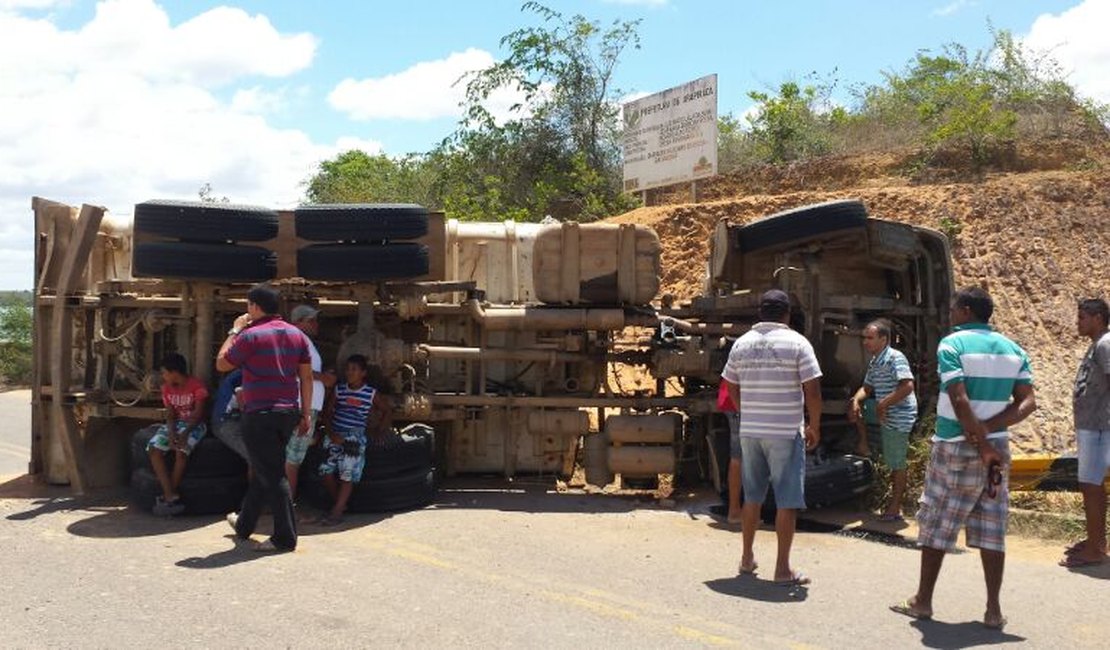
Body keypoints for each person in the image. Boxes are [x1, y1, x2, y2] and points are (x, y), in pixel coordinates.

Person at [891, 286, 1036, 630]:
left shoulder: (952, 344)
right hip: (998, 450)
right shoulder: (1014, 349)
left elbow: (958, 398)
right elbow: (1027, 403)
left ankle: (923, 601)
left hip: (955, 445)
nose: (951, 314)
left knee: (938, 520)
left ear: (966, 311)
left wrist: (979, 438)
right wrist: (990, 431)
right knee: (992, 526)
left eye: (954, 308)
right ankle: (993, 611)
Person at [722, 289, 822, 584]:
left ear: (760, 313)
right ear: (787, 314)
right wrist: (813, 424)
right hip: (784, 431)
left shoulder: (741, 344)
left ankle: (747, 558)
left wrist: (745, 411)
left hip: (750, 431)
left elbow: (730, 384)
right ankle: (782, 569)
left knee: (751, 496)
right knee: (786, 501)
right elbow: (812, 390)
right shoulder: (798, 343)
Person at [216, 283, 313, 553]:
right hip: (288, 413)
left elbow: (222, 363)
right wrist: (305, 414)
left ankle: (285, 538)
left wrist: (235, 329)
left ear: (255, 307)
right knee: (264, 468)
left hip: (260, 414)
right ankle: (245, 524)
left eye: (248, 305)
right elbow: (305, 377)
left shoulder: (250, 335)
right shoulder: (297, 335)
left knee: (273, 474)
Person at [849, 319, 918, 521]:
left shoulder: (895, 358)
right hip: (883, 409)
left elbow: (907, 387)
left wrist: (883, 404)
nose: (865, 342)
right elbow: (867, 388)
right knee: (854, 408)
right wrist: (856, 399)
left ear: (884, 339)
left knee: (896, 462)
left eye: (870, 338)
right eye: (864, 338)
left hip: (899, 413)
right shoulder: (875, 361)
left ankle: (895, 507)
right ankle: (864, 444)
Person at [1062, 298, 1110, 567]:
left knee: (1091, 486)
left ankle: (1095, 550)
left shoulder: (1105, 344)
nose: (1078, 322)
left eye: (1082, 317)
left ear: (1098, 318)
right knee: (1093, 486)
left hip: (1100, 427)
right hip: (1094, 426)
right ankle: (1097, 541)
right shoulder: (1098, 345)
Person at [315, 354, 391, 526]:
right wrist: (331, 433)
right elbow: (327, 413)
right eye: (348, 369)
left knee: (347, 473)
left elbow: (386, 410)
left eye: (354, 369)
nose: (350, 372)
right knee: (325, 472)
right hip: (335, 434)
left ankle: (336, 511)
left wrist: (380, 431)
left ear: (363, 373)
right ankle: (341, 504)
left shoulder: (370, 393)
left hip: (354, 436)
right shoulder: (339, 390)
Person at [285, 304, 336, 501]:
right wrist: (324, 378)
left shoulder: (302, 341)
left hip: (306, 405)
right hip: (302, 406)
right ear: (298, 322)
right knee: (292, 461)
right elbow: (294, 369)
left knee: (291, 459)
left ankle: (283, 508)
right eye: (311, 320)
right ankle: (287, 510)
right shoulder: (297, 339)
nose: (316, 324)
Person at [146, 353, 208, 516]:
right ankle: (170, 494)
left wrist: (185, 434)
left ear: (175, 372)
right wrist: (172, 432)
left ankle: (169, 495)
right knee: (154, 450)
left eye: (165, 372)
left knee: (181, 453)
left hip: (195, 425)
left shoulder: (197, 386)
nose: (163, 376)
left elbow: (199, 414)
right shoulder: (166, 389)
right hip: (176, 424)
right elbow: (171, 414)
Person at [716, 377, 742, 525]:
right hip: (743, 402)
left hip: (734, 401)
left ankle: (735, 510)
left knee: (737, 458)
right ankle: (738, 511)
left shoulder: (738, 353)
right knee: (744, 458)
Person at [211, 368, 248, 463]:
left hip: (241, 421)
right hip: (225, 423)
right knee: (257, 457)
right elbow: (245, 407)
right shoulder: (242, 376)